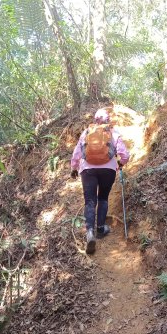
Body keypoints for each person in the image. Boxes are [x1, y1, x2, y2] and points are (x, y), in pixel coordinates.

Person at [70, 108, 130, 254]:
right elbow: (124, 154)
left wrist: (74, 168)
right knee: (103, 198)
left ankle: (90, 232)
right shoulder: (113, 132)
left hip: (87, 170)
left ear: (95, 120)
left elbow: (77, 152)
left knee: (90, 201)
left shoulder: (86, 133)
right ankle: (101, 229)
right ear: (108, 120)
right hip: (108, 170)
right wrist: (120, 164)